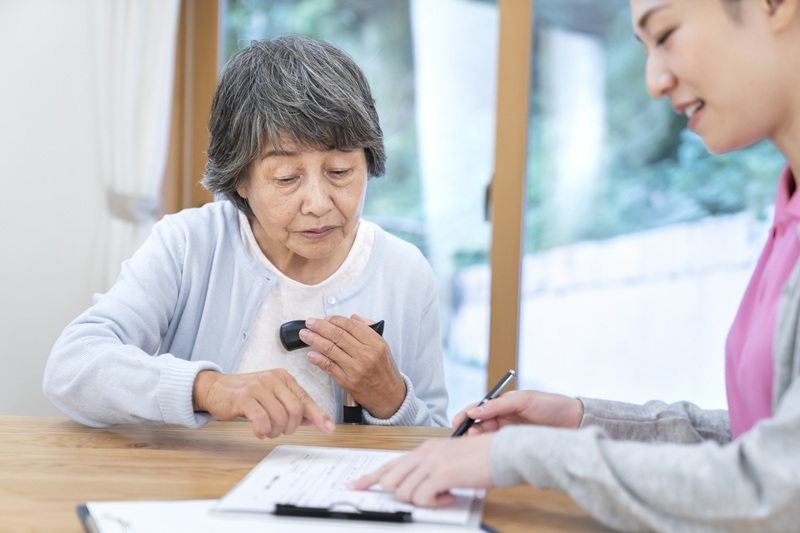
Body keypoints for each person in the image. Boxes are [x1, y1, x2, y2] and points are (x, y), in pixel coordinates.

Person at [351, 0, 800, 530]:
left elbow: (775, 490)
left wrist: (523, 458)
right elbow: (761, 440)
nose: (655, 80)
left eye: (666, 32)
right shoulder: (788, 209)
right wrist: (581, 421)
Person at [43, 35, 448, 439]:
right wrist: (207, 388)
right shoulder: (190, 245)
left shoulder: (405, 271)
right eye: (287, 178)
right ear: (240, 181)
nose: (318, 203)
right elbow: (72, 365)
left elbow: (439, 441)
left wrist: (391, 398)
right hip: (198, 493)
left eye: (340, 171)